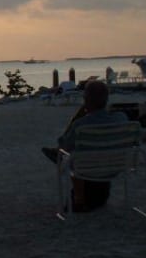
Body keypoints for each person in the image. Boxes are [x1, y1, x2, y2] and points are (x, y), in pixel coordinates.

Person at [41, 79, 127, 212]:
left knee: (72, 155)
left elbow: (64, 144)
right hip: (115, 166)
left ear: (86, 99)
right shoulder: (121, 118)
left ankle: (79, 199)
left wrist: (78, 116)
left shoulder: (81, 124)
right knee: (82, 153)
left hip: (86, 169)